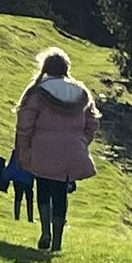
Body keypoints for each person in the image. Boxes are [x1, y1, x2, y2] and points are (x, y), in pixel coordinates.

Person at [14, 47, 99, 252]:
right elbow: (92, 122)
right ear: (66, 68)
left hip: (42, 148)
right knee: (61, 193)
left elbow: (25, 125)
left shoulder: (37, 92)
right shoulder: (81, 92)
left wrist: (23, 151)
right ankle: (58, 241)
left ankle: (45, 231)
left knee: (43, 188)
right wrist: (80, 142)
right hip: (71, 151)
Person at [4, 148, 35, 223]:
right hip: (28, 178)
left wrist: (6, 175)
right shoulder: (31, 153)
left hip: (17, 178)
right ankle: (30, 218)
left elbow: (12, 165)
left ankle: (17, 216)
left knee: (18, 198)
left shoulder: (16, 152)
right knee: (29, 199)